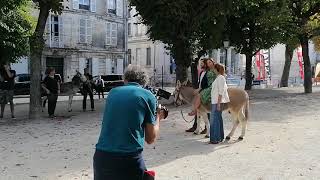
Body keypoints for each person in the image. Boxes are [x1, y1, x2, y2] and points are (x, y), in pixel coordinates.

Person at [93, 65, 166, 180]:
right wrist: (158, 117)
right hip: (129, 158)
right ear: (144, 81)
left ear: (125, 79)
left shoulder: (112, 93)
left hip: (102, 156)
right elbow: (150, 138)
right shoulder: (148, 96)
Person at [186, 59, 209, 133]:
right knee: (198, 109)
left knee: (206, 110)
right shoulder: (202, 72)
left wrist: (199, 89)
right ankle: (196, 126)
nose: (201, 65)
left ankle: (207, 128)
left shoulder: (208, 73)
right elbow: (200, 83)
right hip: (200, 90)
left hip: (205, 91)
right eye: (200, 63)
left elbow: (207, 84)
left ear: (206, 64)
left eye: (202, 63)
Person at [209, 63, 230, 144]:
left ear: (216, 69)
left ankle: (215, 139)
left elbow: (221, 92)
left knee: (214, 120)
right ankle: (219, 137)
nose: (213, 70)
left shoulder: (221, 78)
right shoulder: (218, 78)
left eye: (214, 68)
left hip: (217, 102)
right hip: (215, 101)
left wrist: (218, 103)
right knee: (217, 119)